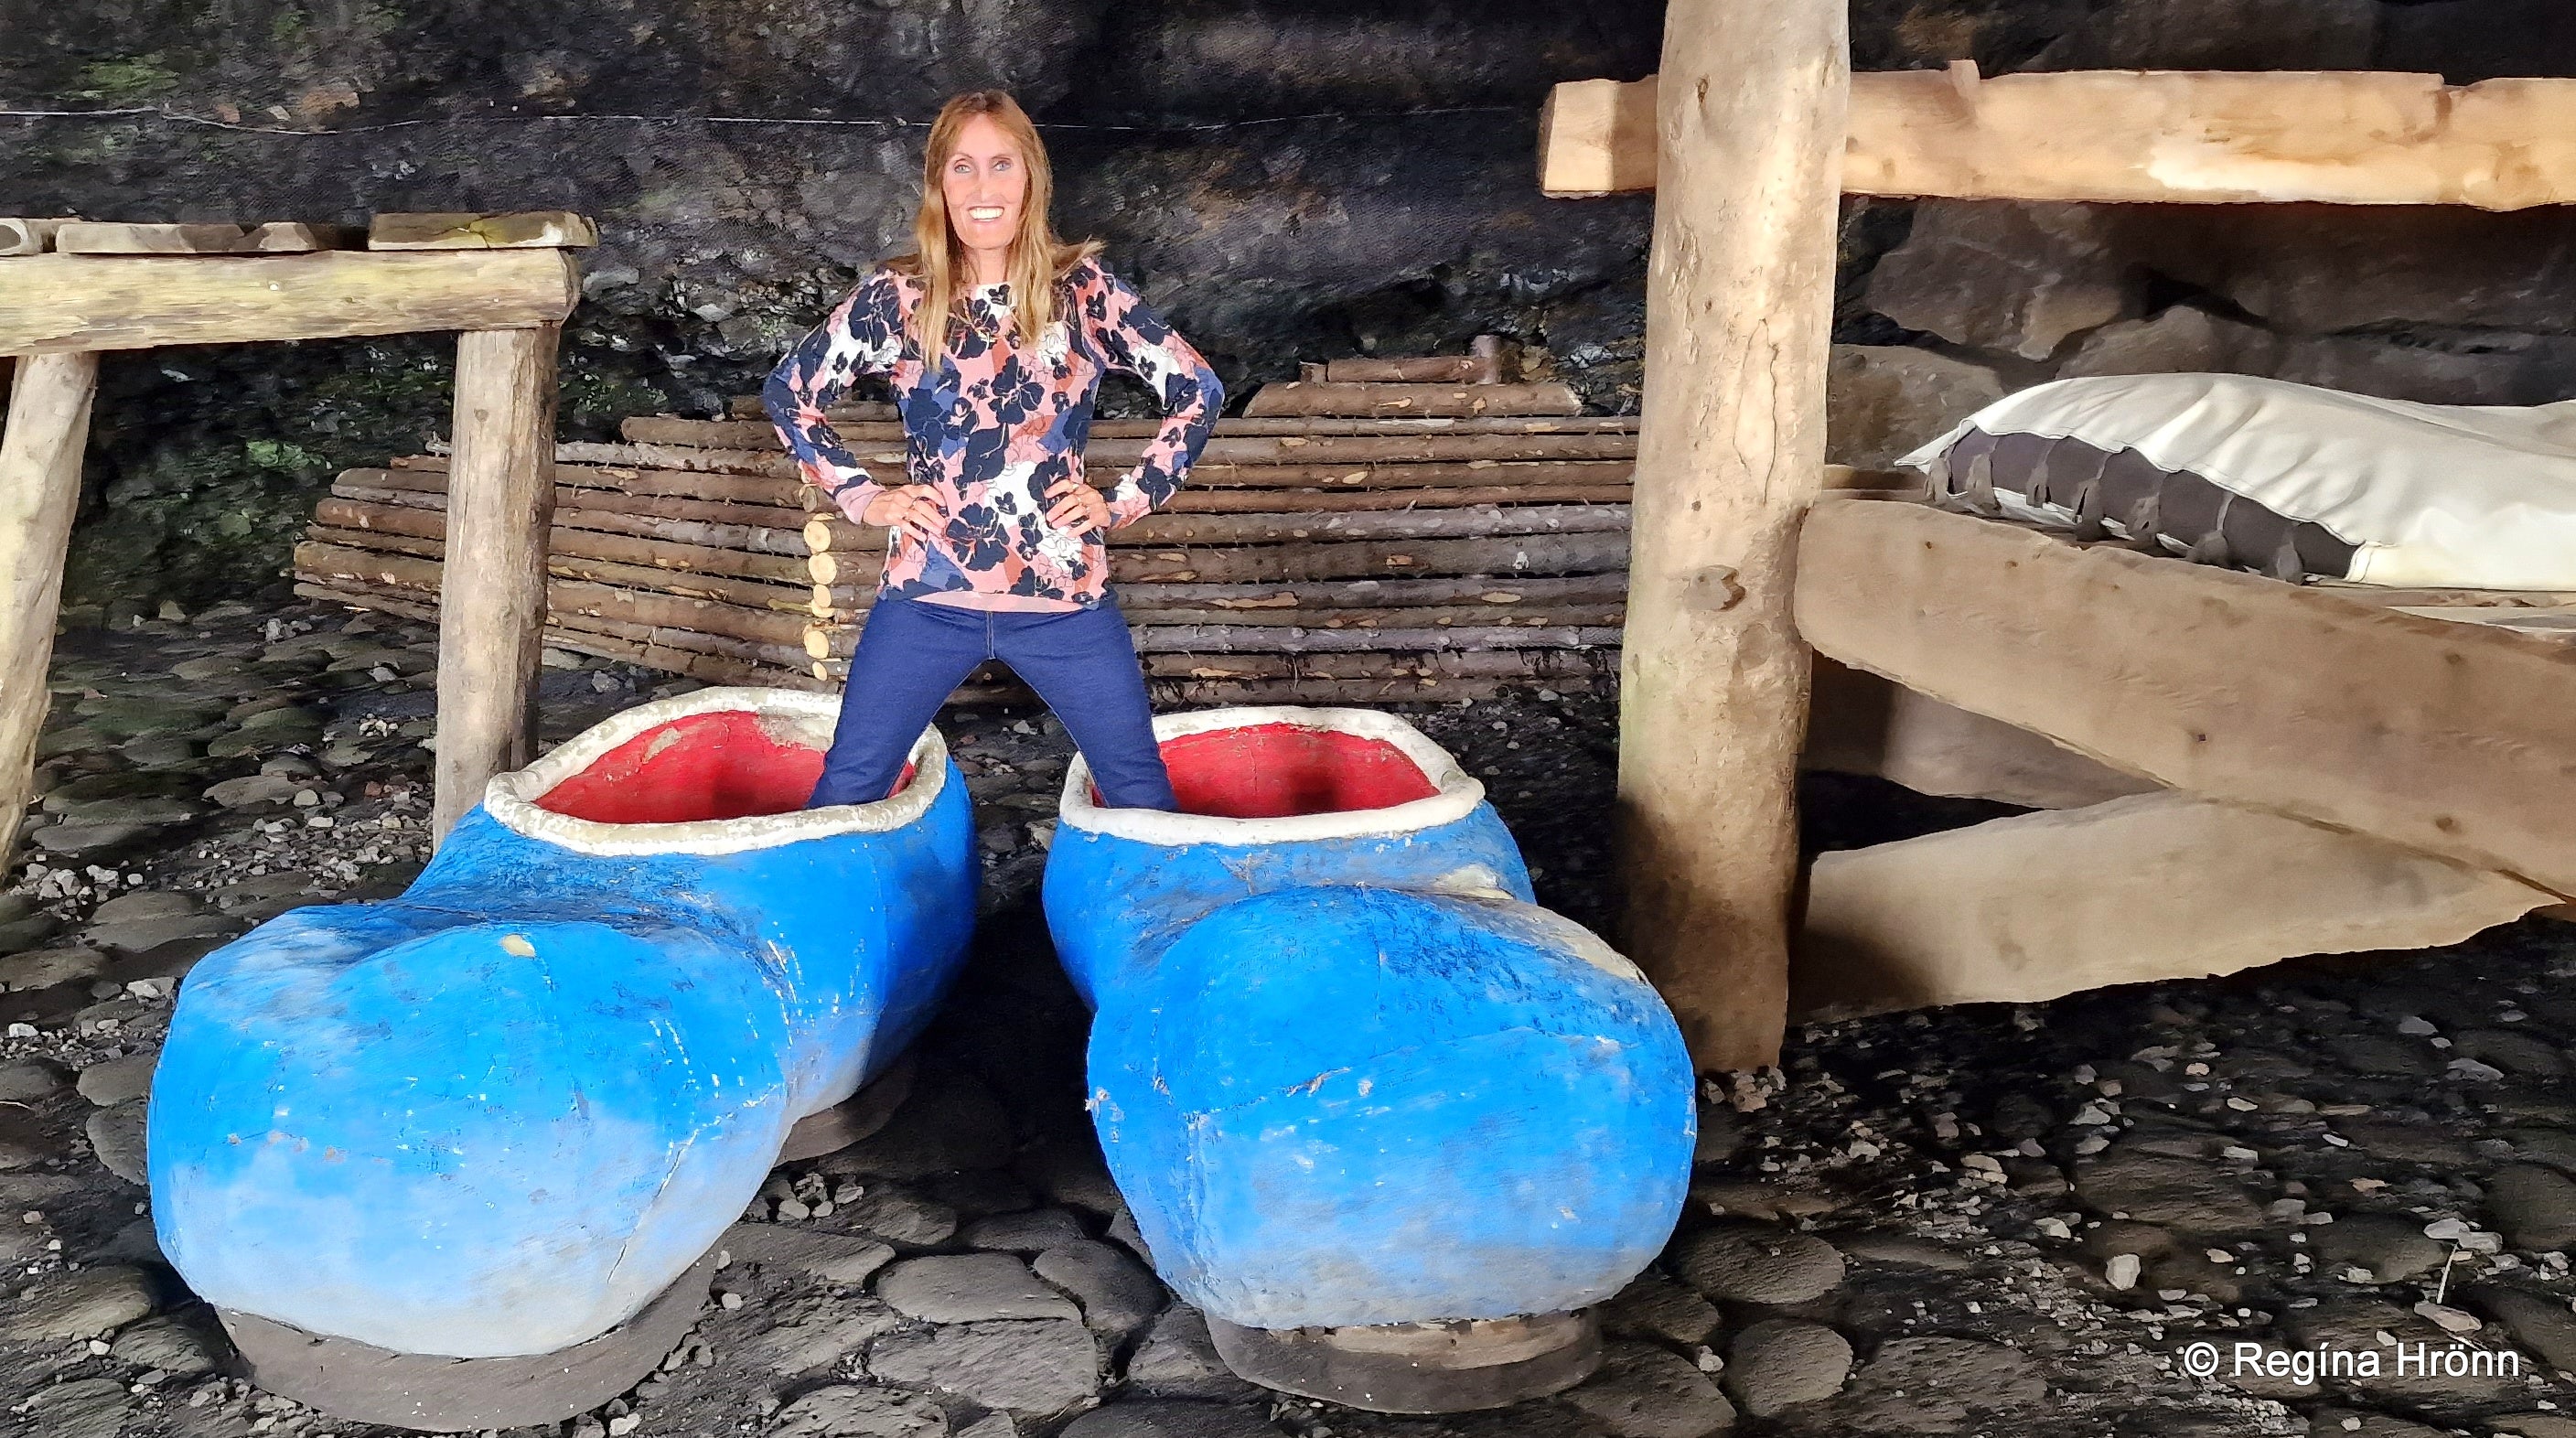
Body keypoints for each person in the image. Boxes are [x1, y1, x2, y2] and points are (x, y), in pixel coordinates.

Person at [765, 90, 1223, 812]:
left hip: (1064, 600)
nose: (984, 188)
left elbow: (1197, 387)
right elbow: (790, 392)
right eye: (963, 167)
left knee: (1138, 791)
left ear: (1031, 179)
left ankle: (1160, 919)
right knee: (848, 786)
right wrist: (865, 496)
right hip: (926, 599)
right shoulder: (900, 297)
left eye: (1002, 165)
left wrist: (1122, 500)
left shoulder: (1083, 293)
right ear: (938, 185)